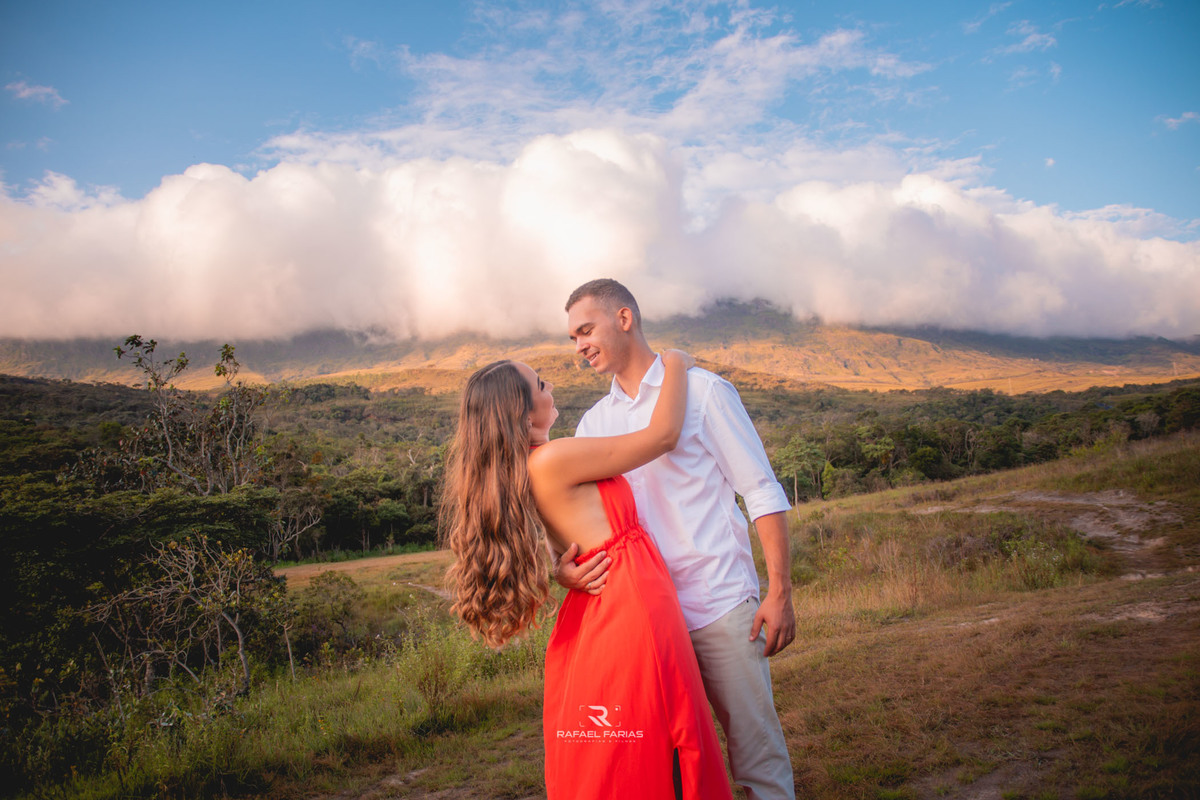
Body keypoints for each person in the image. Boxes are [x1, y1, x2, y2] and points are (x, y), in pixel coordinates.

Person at [441, 350, 733, 800]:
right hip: (629, 597)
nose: (551, 387)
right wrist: (675, 363)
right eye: (541, 384)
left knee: (638, 734)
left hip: (606, 596)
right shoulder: (553, 459)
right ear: (523, 413)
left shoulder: (525, 469)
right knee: (662, 723)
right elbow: (662, 436)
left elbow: (565, 539)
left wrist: (561, 569)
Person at [558, 278, 796, 800]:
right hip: (643, 622)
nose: (579, 347)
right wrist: (562, 566)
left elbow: (760, 489)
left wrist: (779, 591)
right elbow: (581, 518)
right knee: (664, 768)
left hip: (717, 604)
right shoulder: (593, 424)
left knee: (756, 754)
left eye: (586, 330)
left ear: (624, 318)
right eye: (574, 337)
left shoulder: (705, 392)